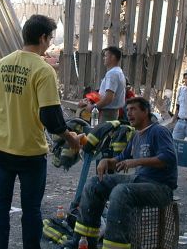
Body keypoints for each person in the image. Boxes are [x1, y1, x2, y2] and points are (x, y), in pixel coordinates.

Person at [0, 14, 81, 249]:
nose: (49, 43)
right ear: (42, 38)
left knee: (0, 208)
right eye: (50, 38)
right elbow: (51, 117)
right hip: (30, 153)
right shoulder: (43, 70)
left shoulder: (0, 65)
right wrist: (71, 138)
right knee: (31, 210)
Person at [65, 97, 177, 249]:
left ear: (145, 112)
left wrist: (136, 162)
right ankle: (83, 241)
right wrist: (108, 161)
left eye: (133, 109)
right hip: (139, 180)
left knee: (121, 192)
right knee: (94, 183)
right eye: (127, 110)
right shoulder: (137, 135)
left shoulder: (158, 131)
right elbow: (122, 158)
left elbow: (168, 158)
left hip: (161, 187)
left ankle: (114, 246)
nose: (128, 113)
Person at [79, 46, 126, 123]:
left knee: (101, 134)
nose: (104, 58)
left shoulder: (112, 74)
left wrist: (93, 107)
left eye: (106, 56)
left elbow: (108, 98)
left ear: (113, 57)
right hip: (111, 112)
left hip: (107, 113)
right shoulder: (118, 72)